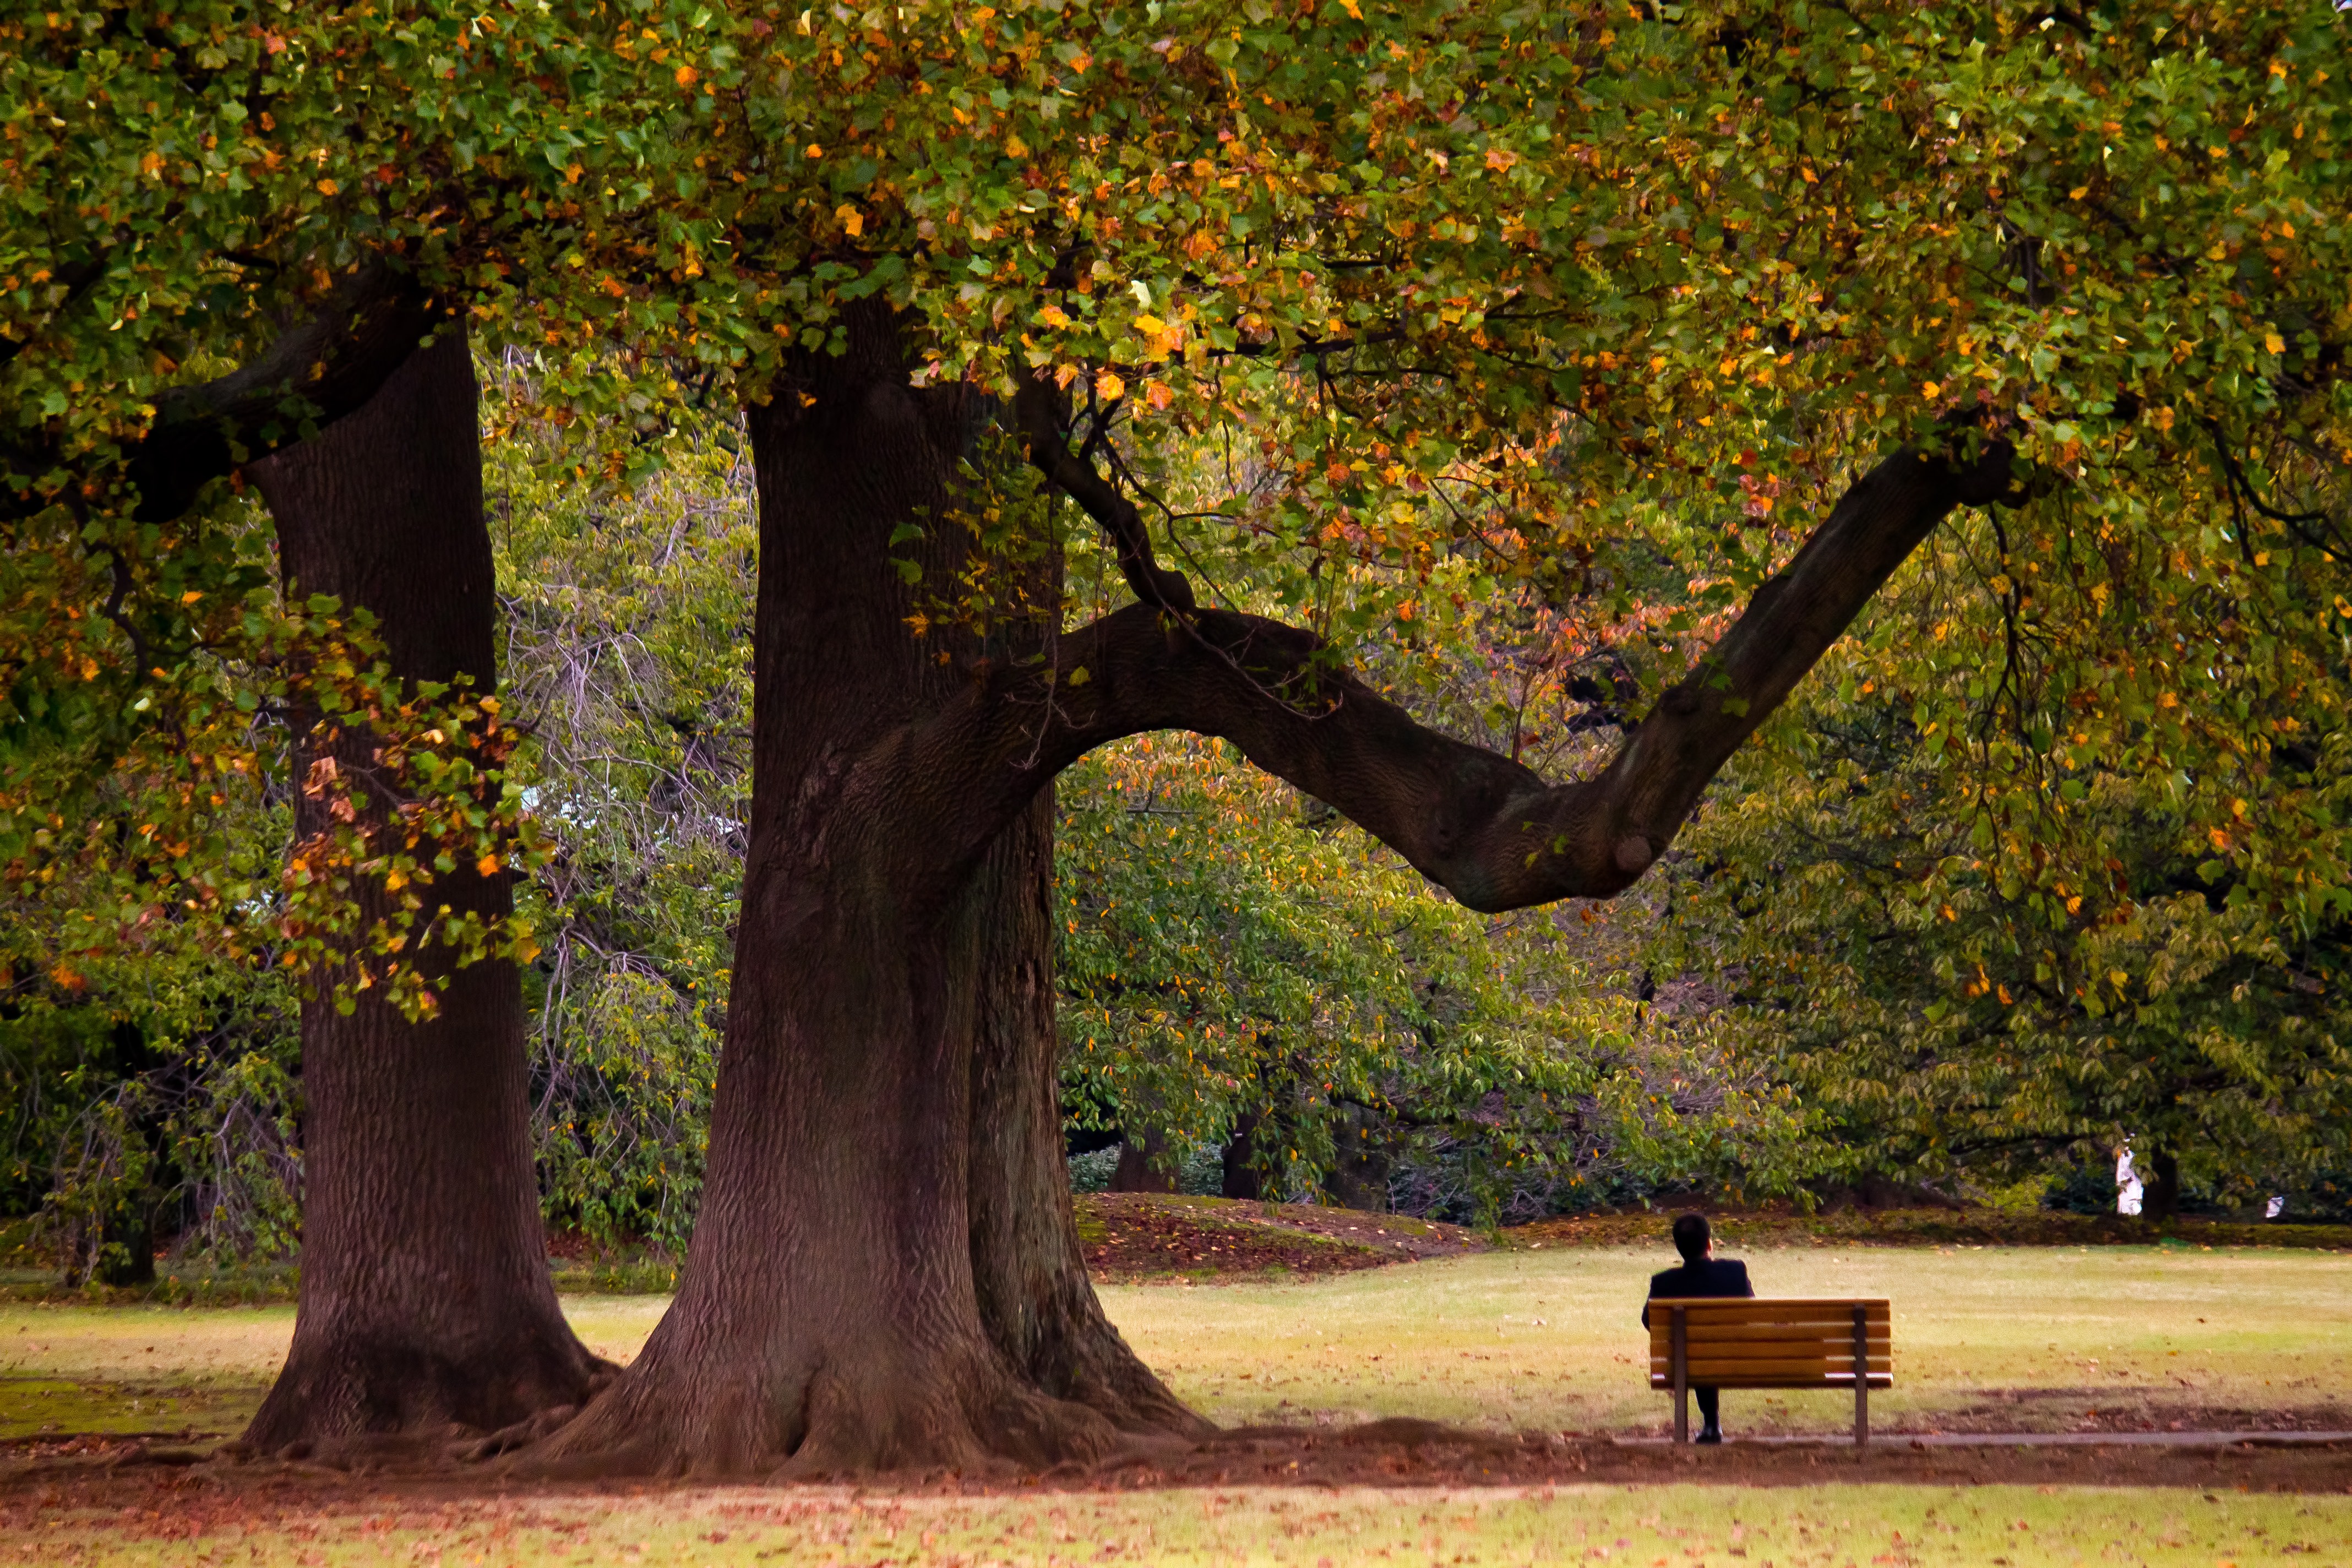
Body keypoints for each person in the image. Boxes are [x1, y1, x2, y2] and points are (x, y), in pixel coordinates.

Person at [1641, 1212, 1753, 1444]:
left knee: (1697, 1351)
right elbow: (1751, 1312)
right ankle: (1712, 1425)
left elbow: (1648, 1321)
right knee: (1707, 1350)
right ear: (1710, 1244)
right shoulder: (1735, 1272)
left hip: (1688, 1361)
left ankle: (1711, 1425)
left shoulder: (1664, 1283)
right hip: (1739, 1358)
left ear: (1679, 1248)